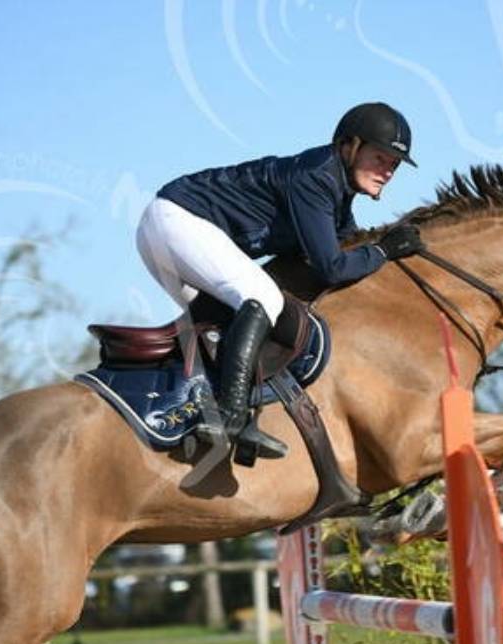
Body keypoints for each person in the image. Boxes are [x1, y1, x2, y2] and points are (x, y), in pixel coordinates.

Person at [136, 101, 423, 468]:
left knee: (220, 330)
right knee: (263, 297)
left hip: (166, 230)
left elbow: (349, 245)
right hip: (176, 220)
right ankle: (232, 417)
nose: (388, 172)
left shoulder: (336, 193)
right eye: (380, 158)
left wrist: (382, 249)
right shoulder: (316, 177)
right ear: (348, 146)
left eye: (394, 165)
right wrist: (382, 252)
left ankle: (191, 413)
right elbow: (333, 267)